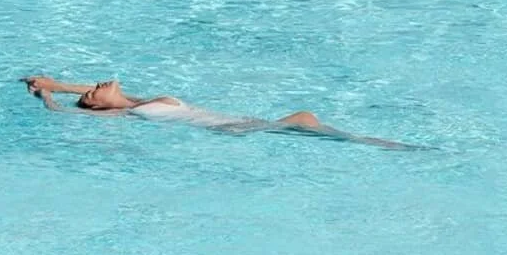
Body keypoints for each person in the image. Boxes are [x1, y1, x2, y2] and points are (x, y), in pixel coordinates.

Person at [22, 76, 411, 148]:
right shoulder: (125, 114)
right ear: (96, 107)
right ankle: (384, 145)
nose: (94, 85)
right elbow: (64, 114)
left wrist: (58, 83)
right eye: (92, 92)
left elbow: (94, 93)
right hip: (232, 129)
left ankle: (377, 143)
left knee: (307, 120)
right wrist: (46, 96)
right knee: (307, 121)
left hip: (238, 124)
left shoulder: (137, 102)